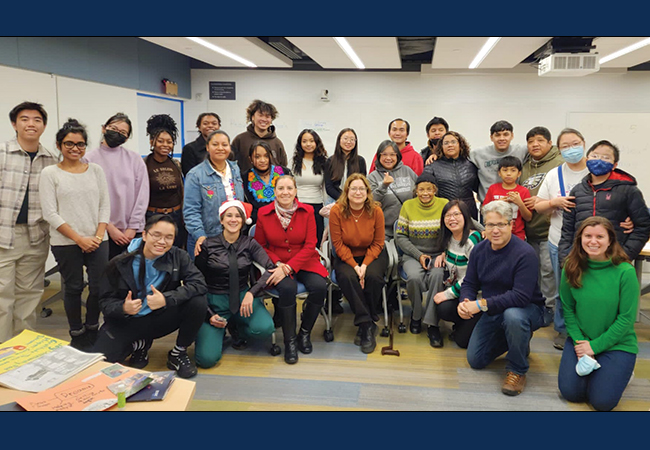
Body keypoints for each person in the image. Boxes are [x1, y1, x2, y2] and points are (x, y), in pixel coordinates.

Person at [93, 214, 208, 379]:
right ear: (145, 235)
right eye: (157, 235)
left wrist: (166, 299)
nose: (162, 242)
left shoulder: (178, 256)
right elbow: (104, 302)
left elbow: (199, 284)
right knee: (99, 366)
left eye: (169, 237)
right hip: (127, 321)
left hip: (160, 317)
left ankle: (178, 353)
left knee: (198, 301)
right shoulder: (119, 262)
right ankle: (139, 344)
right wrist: (123, 308)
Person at [459, 200, 545, 396]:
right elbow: (470, 283)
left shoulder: (525, 254)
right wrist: (465, 302)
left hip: (527, 309)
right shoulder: (480, 250)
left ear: (511, 225)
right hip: (494, 309)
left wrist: (480, 304)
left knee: (513, 317)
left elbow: (520, 297)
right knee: (476, 360)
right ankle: (519, 342)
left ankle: (517, 369)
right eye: (490, 225)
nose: (495, 230)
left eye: (501, 224)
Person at [39, 118, 110, 351]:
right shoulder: (50, 173)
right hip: (65, 241)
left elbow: (104, 206)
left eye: (80, 144)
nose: (75, 148)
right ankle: (77, 333)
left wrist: (97, 237)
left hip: (98, 239)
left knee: (99, 287)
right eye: (69, 143)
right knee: (73, 287)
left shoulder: (96, 171)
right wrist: (79, 239)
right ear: (59, 145)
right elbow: (50, 212)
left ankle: (92, 327)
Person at [558, 216, 638, 411]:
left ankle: (621, 371)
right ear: (580, 239)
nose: (593, 241)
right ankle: (604, 373)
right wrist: (581, 343)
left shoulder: (625, 272)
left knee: (602, 403)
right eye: (588, 236)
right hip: (581, 340)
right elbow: (567, 309)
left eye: (600, 236)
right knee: (571, 393)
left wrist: (594, 347)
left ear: (610, 240)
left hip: (617, 343)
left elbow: (626, 319)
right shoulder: (571, 265)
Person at [254, 176, 329, 363]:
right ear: (275, 191)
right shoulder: (264, 213)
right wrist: (278, 263)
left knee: (320, 286)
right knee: (288, 288)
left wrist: (289, 267)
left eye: (289, 188)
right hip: (276, 262)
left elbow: (311, 244)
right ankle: (290, 342)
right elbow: (260, 246)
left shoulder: (308, 211)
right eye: (281, 188)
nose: (285, 192)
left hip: (303, 260)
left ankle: (304, 333)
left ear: (296, 191)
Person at [0, 101, 58, 343]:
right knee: (2, 297)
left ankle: (22, 353)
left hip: (35, 237)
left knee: (30, 297)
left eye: (37, 119)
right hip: (4, 234)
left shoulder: (51, 161)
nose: (31, 124)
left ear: (43, 126)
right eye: (24, 119)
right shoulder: (2, 153)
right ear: (14, 124)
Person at [194, 200, 276, 369]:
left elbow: (270, 268)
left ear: (243, 220)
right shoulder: (207, 245)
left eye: (237, 216)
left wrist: (252, 292)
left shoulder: (250, 243)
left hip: (242, 296)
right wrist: (208, 313)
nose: (233, 220)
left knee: (265, 328)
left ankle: (237, 326)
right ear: (221, 220)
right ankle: (219, 329)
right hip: (215, 301)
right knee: (206, 360)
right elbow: (195, 281)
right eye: (229, 216)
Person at [558, 139, 650, 265]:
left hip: (614, 261)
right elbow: (567, 230)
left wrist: (624, 256)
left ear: (614, 165)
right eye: (595, 156)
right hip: (580, 261)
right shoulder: (577, 191)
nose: (599, 160)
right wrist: (565, 258)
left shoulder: (628, 191)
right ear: (587, 160)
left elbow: (643, 226)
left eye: (605, 157)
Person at [329, 174, 387, 354]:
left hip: (373, 254)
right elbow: (338, 244)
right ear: (346, 192)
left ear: (368, 192)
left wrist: (365, 265)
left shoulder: (376, 210)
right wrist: (355, 266)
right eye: (353, 188)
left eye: (362, 188)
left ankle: (364, 324)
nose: (357, 192)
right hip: (347, 255)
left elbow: (378, 243)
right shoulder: (336, 211)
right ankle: (366, 324)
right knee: (347, 277)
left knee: (374, 277)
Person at [85, 113, 149, 260]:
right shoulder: (88, 159)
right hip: (102, 230)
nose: (117, 134)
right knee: (106, 277)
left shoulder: (135, 159)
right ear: (103, 128)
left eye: (123, 132)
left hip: (132, 232)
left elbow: (142, 195)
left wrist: (133, 227)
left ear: (127, 138)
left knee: (132, 276)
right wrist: (109, 227)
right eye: (113, 128)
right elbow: (90, 199)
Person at [395, 172, 449, 341]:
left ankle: (433, 324)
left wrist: (482, 228)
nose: (425, 193)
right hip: (413, 254)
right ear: (416, 191)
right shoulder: (408, 206)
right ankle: (416, 316)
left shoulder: (444, 204)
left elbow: (463, 221)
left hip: (438, 255)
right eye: (421, 189)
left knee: (437, 275)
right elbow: (400, 236)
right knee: (414, 278)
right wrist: (418, 255)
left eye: (429, 189)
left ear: (435, 190)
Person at [519, 126, 564, 329]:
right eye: (530, 141)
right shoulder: (526, 163)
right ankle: (537, 305)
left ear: (549, 143)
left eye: (539, 140)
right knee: (534, 270)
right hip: (529, 227)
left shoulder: (560, 163)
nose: (534, 145)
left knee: (548, 270)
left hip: (549, 227)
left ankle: (549, 308)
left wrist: (544, 200)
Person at [428, 200, 483, 349]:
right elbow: (454, 254)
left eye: (456, 214)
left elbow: (474, 277)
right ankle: (463, 323)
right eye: (447, 215)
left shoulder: (473, 240)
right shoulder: (449, 237)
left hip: (476, 296)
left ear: (466, 216)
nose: (452, 219)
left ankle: (477, 321)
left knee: (462, 342)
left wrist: (448, 293)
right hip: (462, 292)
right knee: (443, 308)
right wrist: (442, 254)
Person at [183, 130, 245, 259]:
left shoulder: (235, 169)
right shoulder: (195, 175)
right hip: (207, 238)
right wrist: (200, 236)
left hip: (234, 237)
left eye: (224, 144)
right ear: (207, 147)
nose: (220, 148)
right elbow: (191, 211)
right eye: (215, 144)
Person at [144, 114, 186, 248]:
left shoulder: (176, 164)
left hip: (176, 215)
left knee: (175, 252)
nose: (165, 145)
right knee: (156, 249)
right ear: (152, 142)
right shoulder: (143, 164)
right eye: (161, 141)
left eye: (169, 142)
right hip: (153, 216)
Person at [468, 120, 528, 205]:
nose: (502, 138)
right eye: (497, 135)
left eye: (506, 134)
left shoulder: (522, 151)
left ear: (512, 136)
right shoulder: (477, 154)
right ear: (491, 137)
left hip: (514, 204)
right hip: (488, 205)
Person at [423, 130, 480, 220]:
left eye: (453, 142)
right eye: (446, 143)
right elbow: (424, 188)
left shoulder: (470, 165)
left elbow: (479, 188)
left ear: (460, 145)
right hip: (444, 211)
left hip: (469, 211)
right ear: (441, 147)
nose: (450, 145)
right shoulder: (432, 165)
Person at [367, 140, 417, 239]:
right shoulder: (372, 177)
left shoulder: (407, 171)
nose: (388, 158)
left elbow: (419, 193)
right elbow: (370, 202)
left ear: (397, 156)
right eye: (384, 154)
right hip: (385, 232)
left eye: (392, 155)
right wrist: (383, 186)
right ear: (378, 156)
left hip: (410, 229)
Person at [291, 129, 328, 244]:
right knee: (298, 239)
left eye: (311, 141)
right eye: (304, 141)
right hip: (297, 206)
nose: (308, 144)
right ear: (300, 144)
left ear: (317, 143)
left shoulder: (324, 162)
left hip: (317, 206)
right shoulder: (294, 162)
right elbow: (290, 185)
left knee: (316, 239)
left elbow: (325, 189)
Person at [482, 156, 532, 241]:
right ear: (499, 173)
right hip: (496, 234)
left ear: (519, 173)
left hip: (517, 235)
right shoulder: (493, 188)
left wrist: (520, 203)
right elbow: (484, 211)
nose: (508, 174)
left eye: (513, 170)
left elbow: (528, 218)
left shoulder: (523, 191)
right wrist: (497, 203)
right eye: (505, 170)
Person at [231, 99, 287, 173]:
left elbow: (283, 167)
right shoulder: (240, 140)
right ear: (252, 117)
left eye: (267, 116)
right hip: (246, 183)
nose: (264, 119)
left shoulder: (277, 143)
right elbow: (230, 164)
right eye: (260, 115)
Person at [243, 141, 292, 224]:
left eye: (266, 156)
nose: (262, 160)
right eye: (257, 157)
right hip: (257, 224)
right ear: (250, 159)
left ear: (270, 157)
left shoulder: (284, 172)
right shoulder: (245, 178)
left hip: (285, 222)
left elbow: (293, 199)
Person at [324, 128, 367, 201]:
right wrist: (343, 199)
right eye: (345, 138)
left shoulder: (360, 161)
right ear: (339, 140)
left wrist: (351, 198)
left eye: (352, 139)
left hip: (355, 199)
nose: (349, 142)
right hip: (334, 200)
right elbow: (329, 187)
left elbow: (362, 184)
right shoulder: (330, 161)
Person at [181, 112, 221, 176]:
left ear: (219, 126)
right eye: (205, 123)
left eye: (214, 123)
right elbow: (189, 175)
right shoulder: (189, 149)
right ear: (199, 127)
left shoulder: (226, 148)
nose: (210, 126)